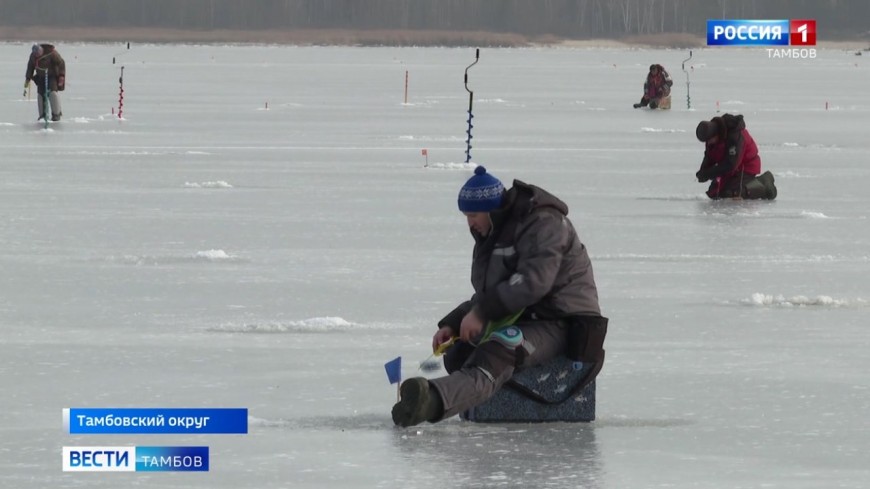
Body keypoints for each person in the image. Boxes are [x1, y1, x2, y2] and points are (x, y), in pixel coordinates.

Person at [391, 166, 606, 428]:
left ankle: (430, 401)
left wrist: (481, 314)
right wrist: (455, 323)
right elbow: (490, 293)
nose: (470, 223)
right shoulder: (495, 232)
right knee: (459, 352)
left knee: (501, 348)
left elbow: (532, 282)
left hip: (563, 322)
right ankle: (453, 396)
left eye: (473, 215)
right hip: (526, 316)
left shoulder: (545, 223)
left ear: (491, 209)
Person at [695, 113, 777, 200]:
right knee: (715, 193)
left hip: (745, 166)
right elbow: (709, 155)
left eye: (709, 140)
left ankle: (764, 184)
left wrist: (709, 173)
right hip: (730, 167)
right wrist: (703, 171)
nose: (708, 143)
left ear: (716, 134)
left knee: (729, 194)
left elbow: (731, 164)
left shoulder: (735, 137)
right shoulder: (712, 137)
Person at [25, 43, 66, 122]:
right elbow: (30, 66)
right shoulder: (33, 56)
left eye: (38, 53)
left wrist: (61, 76)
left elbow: (61, 63)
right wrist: (27, 78)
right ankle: (42, 115)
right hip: (40, 77)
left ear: (41, 50)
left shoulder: (52, 53)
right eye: (35, 54)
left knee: (52, 93)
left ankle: (56, 114)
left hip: (52, 76)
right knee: (41, 95)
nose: (37, 55)